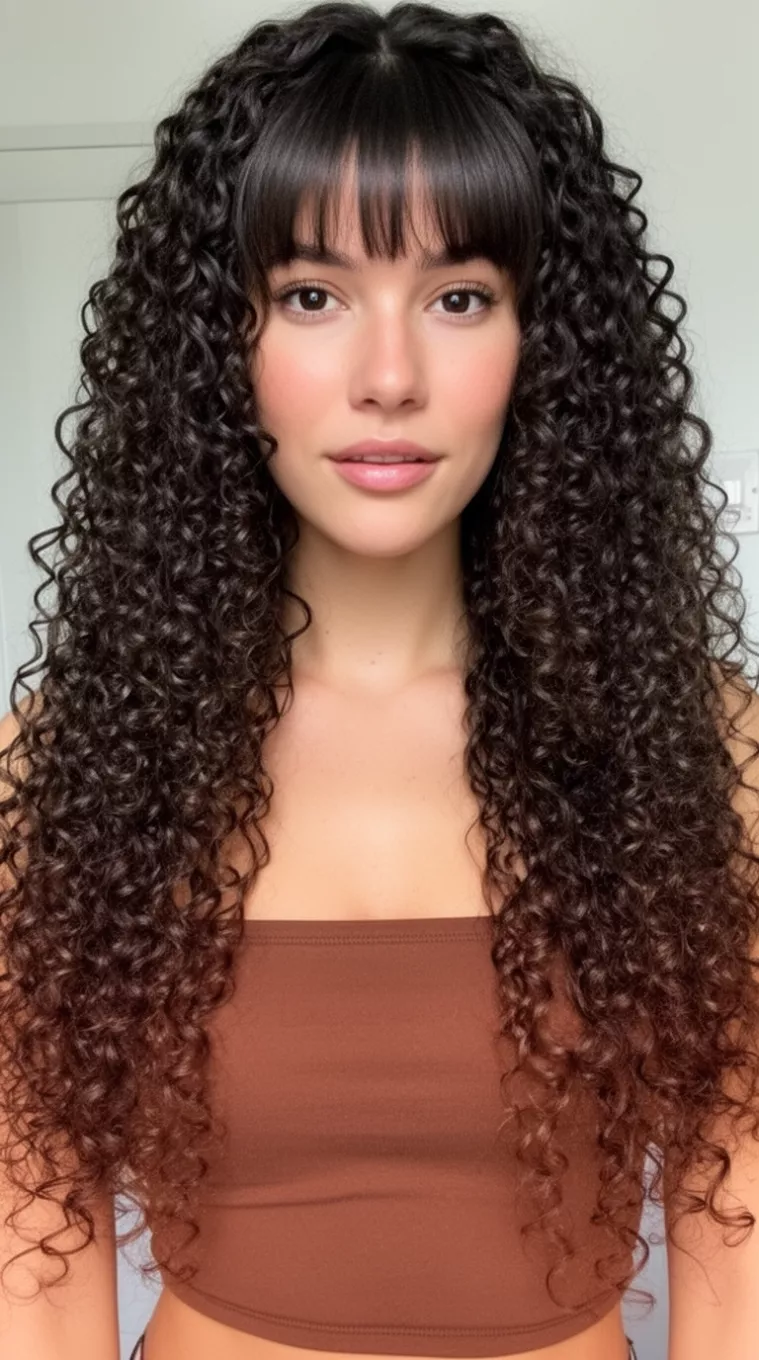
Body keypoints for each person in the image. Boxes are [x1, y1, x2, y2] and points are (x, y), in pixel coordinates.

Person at [1, 2, 758, 1358]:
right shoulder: (62, 773)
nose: (389, 377)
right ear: (217, 348)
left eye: (458, 297)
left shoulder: (703, 758)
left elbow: (733, 1258)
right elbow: (29, 1273)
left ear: (544, 349)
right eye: (311, 296)